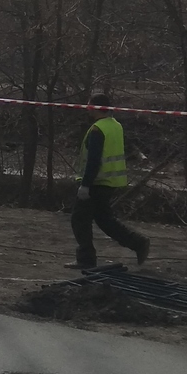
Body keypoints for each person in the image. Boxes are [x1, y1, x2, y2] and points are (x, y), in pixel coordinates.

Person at [68, 94, 150, 269]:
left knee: (79, 219)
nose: (87, 108)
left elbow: (94, 160)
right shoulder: (116, 126)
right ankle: (138, 243)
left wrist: (85, 185)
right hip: (109, 182)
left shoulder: (98, 129)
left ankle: (86, 259)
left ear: (96, 108)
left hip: (96, 182)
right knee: (105, 220)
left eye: (89, 105)